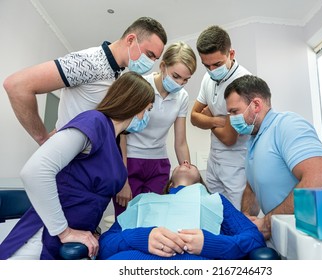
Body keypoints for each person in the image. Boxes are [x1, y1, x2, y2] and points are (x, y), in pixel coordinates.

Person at [0, 72, 155, 260]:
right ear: (136, 104)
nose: (146, 116)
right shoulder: (94, 122)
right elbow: (34, 171)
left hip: (74, 239)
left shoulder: (113, 141)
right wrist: (64, 232)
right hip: (43, 238)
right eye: (148, 109)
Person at [3, 16, 167, 146]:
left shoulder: (115, 72)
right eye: (149, 54)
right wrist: (43, 139)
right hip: (69, 162)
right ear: (131, 40)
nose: (151, 62)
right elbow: (17, 86)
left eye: (155, 58)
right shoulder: (89, 62)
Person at [224, 74, 322, 240]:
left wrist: (267, 223)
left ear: (256, 105)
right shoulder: (253, 139)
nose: (231, 119)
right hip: (281, 234)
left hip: (309, 235)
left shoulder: (287, 125)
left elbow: (319, 178)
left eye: (234, 112)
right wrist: (245, 217)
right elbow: (252, 187)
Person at [98, 162, 266, 260]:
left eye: (192, 165)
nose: (185, 161)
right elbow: (104, 246)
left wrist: (209, 244)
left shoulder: (215, 200)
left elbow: (254, 239)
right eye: (181, 163)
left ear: (200, 184)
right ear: (170, 184)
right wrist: (141, 238)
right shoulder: (143, 200)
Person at [114, 41, 197, 217]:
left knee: (154, 220)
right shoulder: (140, 85)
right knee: (126, 218)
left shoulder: (182, 97)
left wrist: (189, 182)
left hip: (158, 164)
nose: (180, 83)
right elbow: (121, 133)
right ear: (162, 66)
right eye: (176, 76)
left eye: (186, 80)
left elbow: (180, 142)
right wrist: (122, 179)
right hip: (130, 160)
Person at [190, 25, 251, 210]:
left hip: (236, 162)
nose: (211, 69)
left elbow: (229, 138)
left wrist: (206, 118)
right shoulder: (208, 79)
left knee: (237, 217)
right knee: (217, 214)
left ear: (231, 53)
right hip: (214, 158)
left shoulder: (242, 81)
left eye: (216, 64)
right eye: (206, 65)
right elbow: (193, 117)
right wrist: (217, 120)